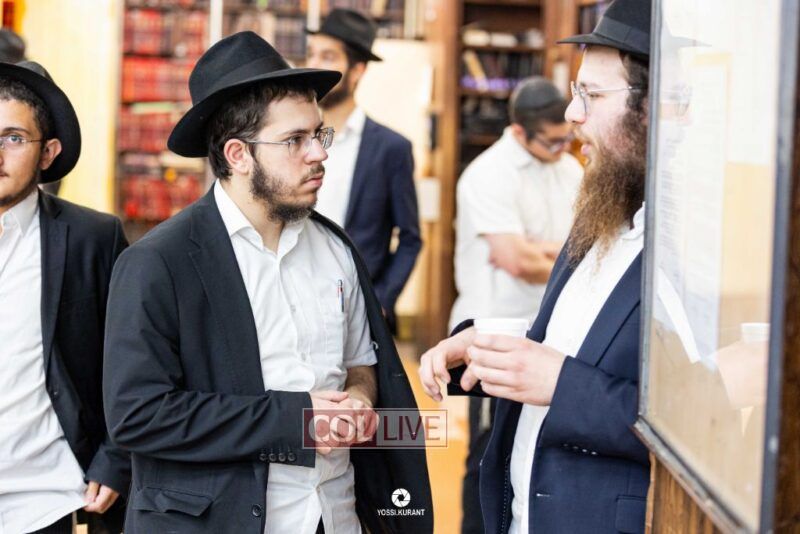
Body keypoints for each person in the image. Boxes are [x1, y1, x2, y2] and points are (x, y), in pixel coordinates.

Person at [103, 32, 432, 534]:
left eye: (319, 134)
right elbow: (138, 415)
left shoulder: (337, 249)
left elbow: (361, 364)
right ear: (238, 154)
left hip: (335, 514)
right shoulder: (157, 262)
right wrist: (296, 420)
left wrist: (360, 400)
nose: (318, 154)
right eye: (295, 140)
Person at [419, 0, 652, 532]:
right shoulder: (602, 203)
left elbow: (694, 426)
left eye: (592, 95)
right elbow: (576, 337)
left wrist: (560, 383)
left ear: (655, 107)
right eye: (575, 93)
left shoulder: (691, 245)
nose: (573, 115)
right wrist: (488, 342)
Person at [0, 61, 129, 534]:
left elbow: (135, 361)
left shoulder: (93, 238)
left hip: (43, 499)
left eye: (14, 138)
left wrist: (116, 458)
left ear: (48, 153)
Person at [450, 76, 583, 534]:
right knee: (488, 454)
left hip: (552, 338)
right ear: (520, 132)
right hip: (493, 337)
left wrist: (538, 250)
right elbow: (516, 260)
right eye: (552, 141)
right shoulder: (488, 173)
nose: (564, 147)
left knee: (534, 451)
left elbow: (588, 249)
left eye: (567, 138)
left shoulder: (570, 168)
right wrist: (549, 254)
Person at [305, 9, 422, 331]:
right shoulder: (293, 141)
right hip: (295, 300)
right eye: (311, 53)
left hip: (357, 311)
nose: (314, 64)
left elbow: (411, 239)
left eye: (328, 56)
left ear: (357, 70)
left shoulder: (390, 148)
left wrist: (382, 300)